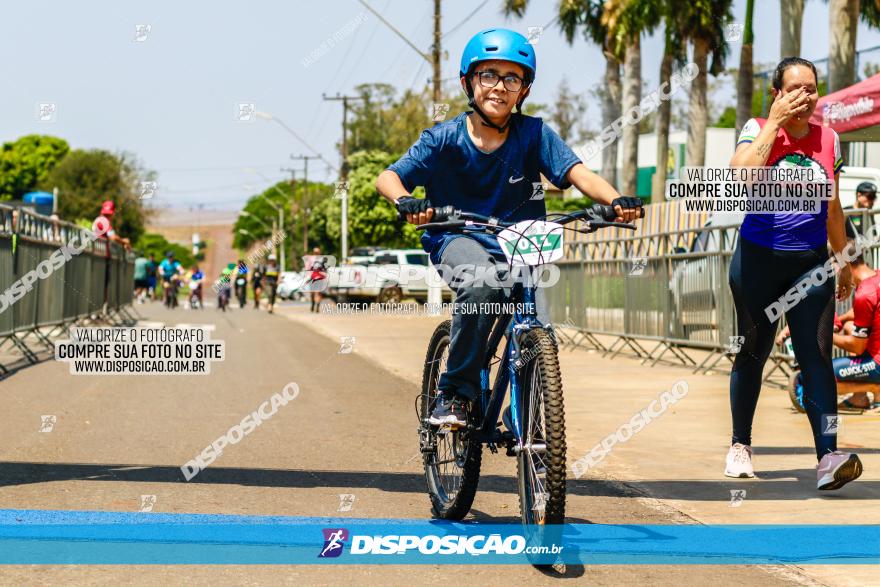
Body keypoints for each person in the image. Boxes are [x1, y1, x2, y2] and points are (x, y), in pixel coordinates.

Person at [376, 28, 641, 427]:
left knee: (536, 322)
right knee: (482, 283)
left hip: (523, 239)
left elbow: (577, 173)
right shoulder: (442, 138)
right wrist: (405, 200)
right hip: (458, 235)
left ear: (524, 90)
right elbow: (389, 177)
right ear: (468, 82)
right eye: (489, 75)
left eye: (512, 78)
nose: (499, 87)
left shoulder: (533, 134)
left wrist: (615, 201)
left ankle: (525, 403)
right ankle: (455, 393)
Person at [727, 57, 862, 490]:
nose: (805, 97)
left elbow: (834, 208)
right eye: (795, 89)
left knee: (817, 356)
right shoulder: (757, 128)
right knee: (753, 350)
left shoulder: (830, 140)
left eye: (811, 88)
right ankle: (740, 445)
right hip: (757, 262)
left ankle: (828, 458)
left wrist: (842, 261)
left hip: (809, 264)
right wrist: (774, 125)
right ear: (777, 94)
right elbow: (740, 179)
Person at [305, 247, 328, 313]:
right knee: (312, 293)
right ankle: (313, 303)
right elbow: (308, 267)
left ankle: (317, 306)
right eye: (315, 252)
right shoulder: (311, 259)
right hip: (312, 277)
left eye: (317, 252)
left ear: (319, 252)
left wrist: (325, 275)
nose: (316, 253)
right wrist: (307, 276)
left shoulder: (323, 259)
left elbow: (325, 269)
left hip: (320, 277)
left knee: (318, 292)